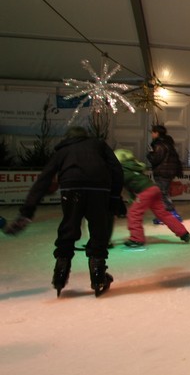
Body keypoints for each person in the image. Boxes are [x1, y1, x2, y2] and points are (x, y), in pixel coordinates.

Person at [3, 126, 123, 297]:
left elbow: (44, 178)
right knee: (99, 229)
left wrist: (26, 212)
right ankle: (98, 276)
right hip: (98, 188)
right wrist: (115, 196)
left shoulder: (63, 150)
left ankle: (60, 274)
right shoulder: (98, 145)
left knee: (69, 226)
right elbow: (116, 169)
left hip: (71, 188)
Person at [114, 148, 190, 247]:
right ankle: (184, 233)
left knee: (134, 214)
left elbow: (121, 183)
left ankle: (137, 239)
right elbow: (133, 183)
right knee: (163, 214)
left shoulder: (121, 169)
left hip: (145, 192)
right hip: (154, 189)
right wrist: (132, 197)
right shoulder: (133, 166)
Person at [146, 124, 184, 224]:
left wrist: (149, 154)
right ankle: (165, 215)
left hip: (162, 172)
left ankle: (172, 215)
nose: (152, 134)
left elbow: (155, 159)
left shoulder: (159, 145)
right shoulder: (168, 143)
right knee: (163, 193)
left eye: (153, 132)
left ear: (157, 133)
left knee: (162, 194)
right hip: (167, 172)